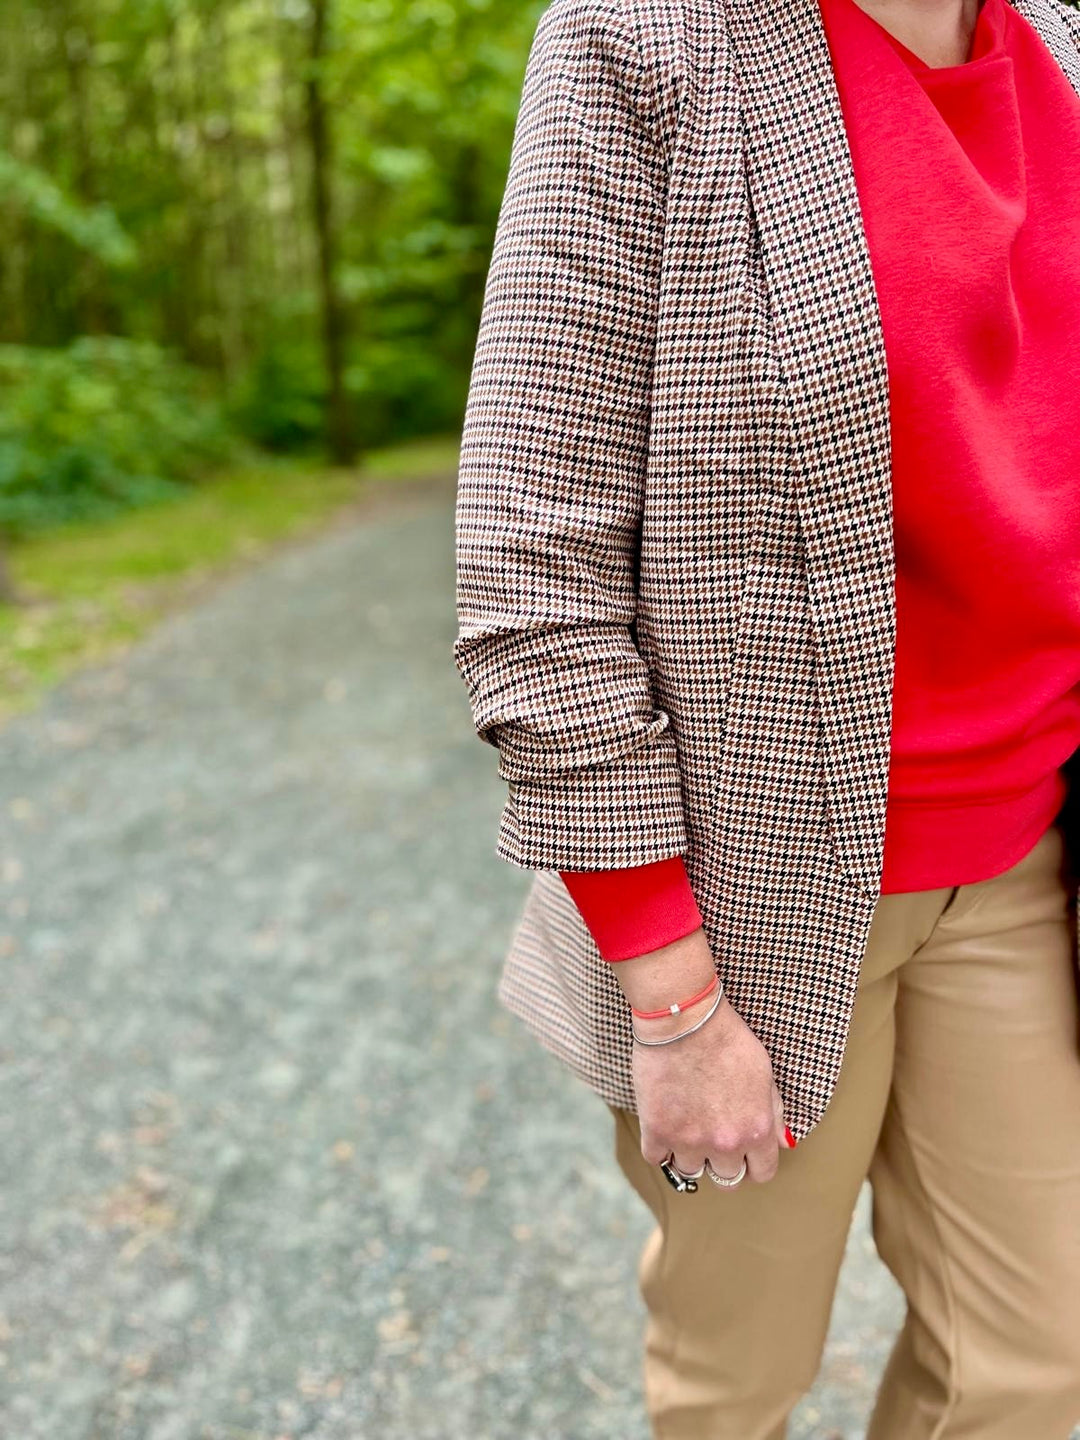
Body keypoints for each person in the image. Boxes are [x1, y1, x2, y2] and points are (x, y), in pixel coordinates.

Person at [452, 0, 1080, 1431]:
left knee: (1036, 1364)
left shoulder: (1065, 43)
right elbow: (531, 557)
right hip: (754, 895)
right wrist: (671, 1000)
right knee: (737, 1380)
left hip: (1026, 857)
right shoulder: (647, 41)